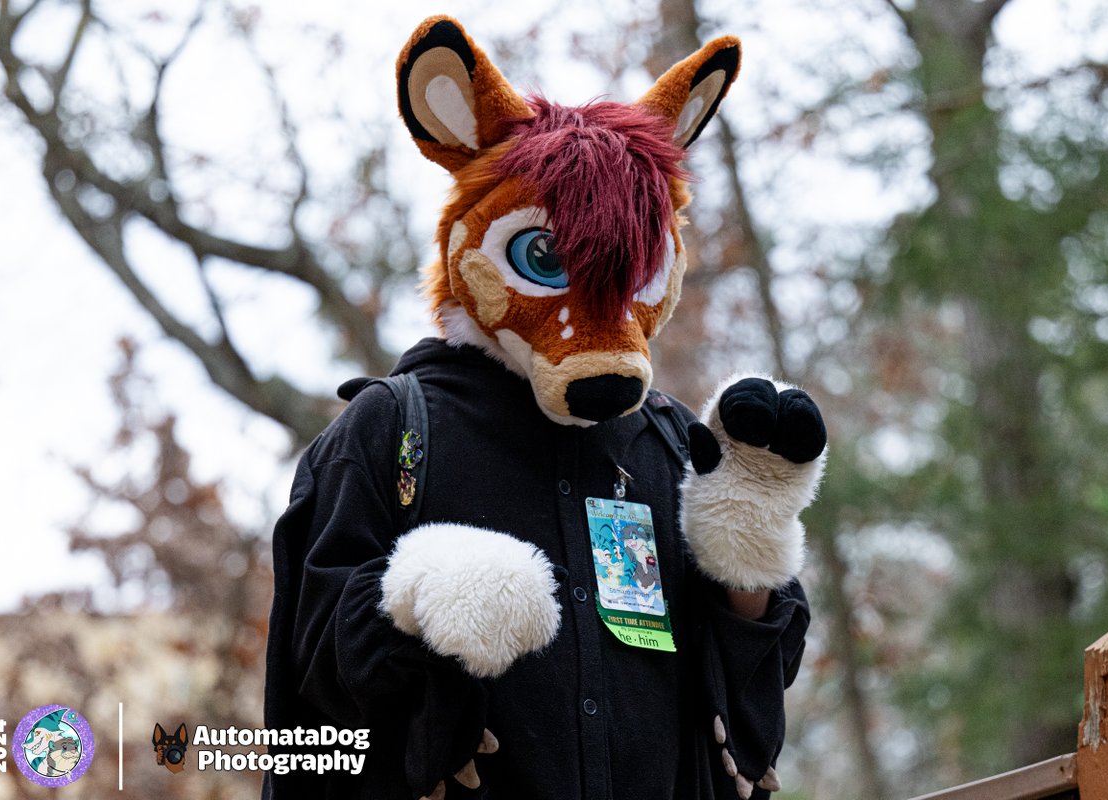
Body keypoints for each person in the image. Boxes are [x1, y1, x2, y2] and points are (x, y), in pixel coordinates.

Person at [263, 16, 826, 800]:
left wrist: (749, 557)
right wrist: (414, 595)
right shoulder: (392, 431)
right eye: (546, 259)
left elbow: (748, 696)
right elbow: (313, 674)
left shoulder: (670, 445)